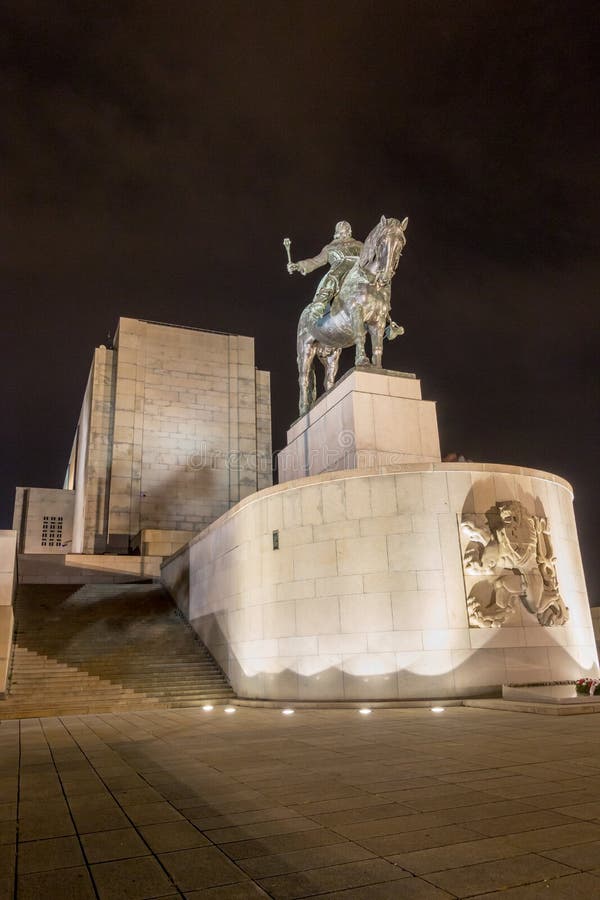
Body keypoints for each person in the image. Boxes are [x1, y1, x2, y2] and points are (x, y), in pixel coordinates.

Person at [288, 221, 363, 321]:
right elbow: (315, 261)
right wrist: (298, 265)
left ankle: (385, 317)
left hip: (357, 269)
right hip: (339, 270)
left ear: (349, 231)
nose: (343, 234)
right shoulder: (330, 248)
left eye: (345, 231)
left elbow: (370, 257)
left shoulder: (359, 245)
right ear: (337, 232)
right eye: (341, 231)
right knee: (332, 277)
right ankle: (320, 303)